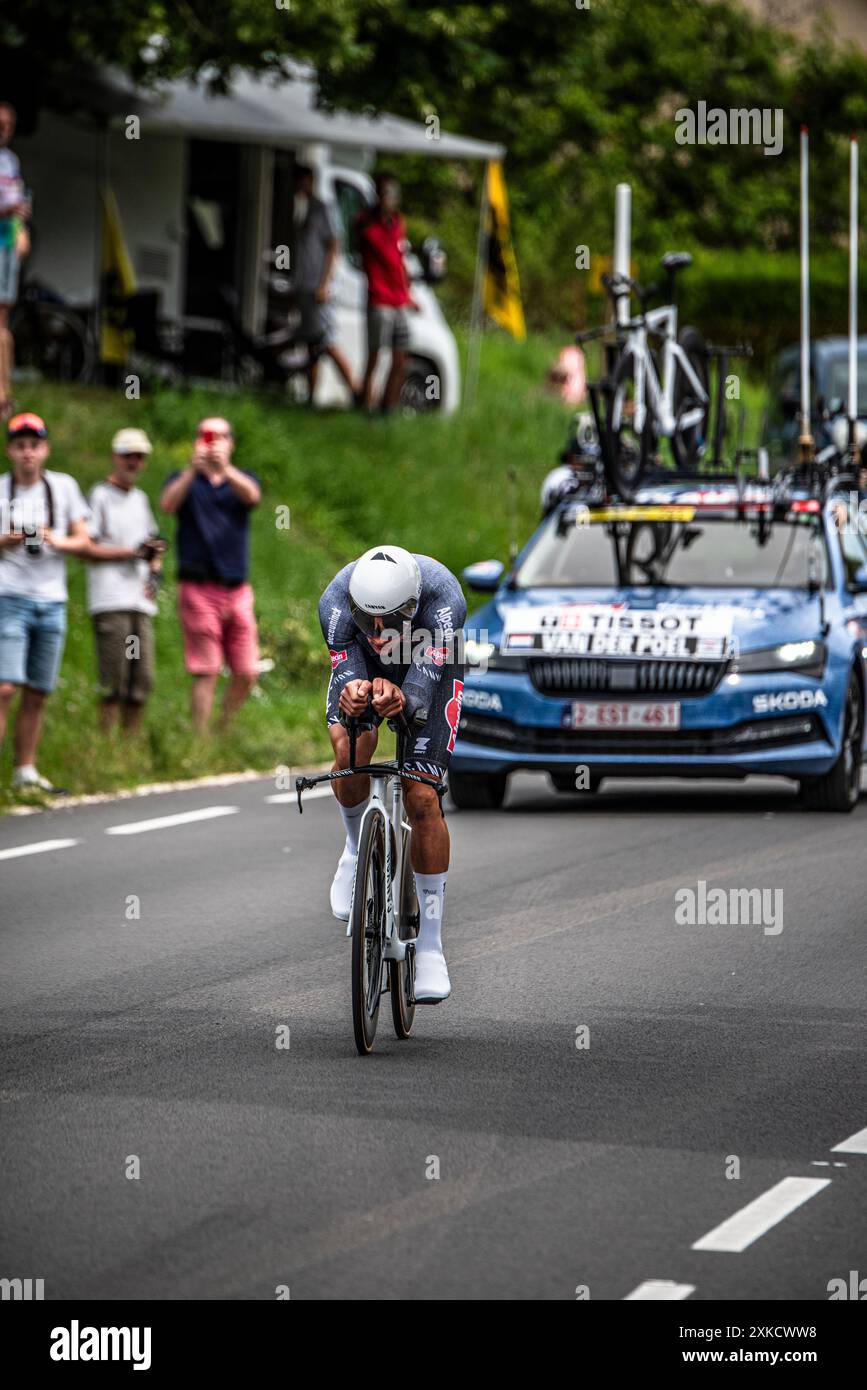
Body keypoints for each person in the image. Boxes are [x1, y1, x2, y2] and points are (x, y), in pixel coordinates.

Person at [318, 545, 466, 1002]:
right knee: (350, 746)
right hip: (363, 664)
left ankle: (431, 947)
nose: (379, 631)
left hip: (430, 666)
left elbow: (423, 686)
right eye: (368, 620)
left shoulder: (444, 601)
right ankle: (354, 845)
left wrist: (404, 698)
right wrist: (355, 693)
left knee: (421, 795)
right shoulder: (335, 603)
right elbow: (347, 669)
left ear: (413, 606)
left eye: (389, 621)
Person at [0, 412, 90, 791]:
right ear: (10, 451)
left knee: (38, 690)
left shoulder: (64, 488)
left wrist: (54, 539)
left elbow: (84, 540)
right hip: (9, 596)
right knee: (5, 687)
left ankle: (25, 771)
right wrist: (8, 539)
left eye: (34, 446)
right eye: (20, 446)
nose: (27, 454)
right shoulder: (1, 489)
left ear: (45, 449)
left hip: (52, 600)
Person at [160, 417, 261, 734]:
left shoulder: (240, 481)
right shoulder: (185, 481)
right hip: (197, 588)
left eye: (219, 437)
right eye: (205, 436)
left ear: (231, 443)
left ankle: (222, 728)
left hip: (237, 589)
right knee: (207, 671)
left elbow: (253, 497)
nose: (212, 443)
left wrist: (225, 469)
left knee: (247, 671)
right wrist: (194, 470)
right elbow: (167, 504)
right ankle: (200, 743)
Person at [86, 428, 165, 733]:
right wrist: (131, 552)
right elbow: (88, 547)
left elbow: (151, 542)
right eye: (128, 455)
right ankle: (105, 746)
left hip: (139, 599)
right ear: (115, 457)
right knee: (113, 679)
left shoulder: (140, 499)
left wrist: (154, 562)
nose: (134, 462)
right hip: (110, 598)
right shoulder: (100, 495)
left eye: (140, 457)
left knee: (141, 680)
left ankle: (128, 750)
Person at [289, 164, 358, 403]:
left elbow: (333, 246)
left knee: (327, 342)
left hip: (320, 288)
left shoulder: (322, 209)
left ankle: (356, 390)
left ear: (310, 181)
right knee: (311, 345)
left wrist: (324, 284)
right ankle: (311, 397)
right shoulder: (303, 209)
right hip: (306, 285)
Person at [355, 173, 419, 414]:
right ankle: (365, 406)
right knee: (374, 357)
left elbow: (399, 260)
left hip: (399, 300)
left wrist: (409, 292)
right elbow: (366, 243)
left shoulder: (398, 223)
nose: (391, 198)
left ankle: (388, 407)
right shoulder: (367, 224)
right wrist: (379, 216)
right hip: (379, 299)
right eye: (386, 193)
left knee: (401, 358)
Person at [0, 102, 30, 420]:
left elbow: (19, 201)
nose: (3, 129)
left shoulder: (10, 161)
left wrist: (22, 232)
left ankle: (3, 391)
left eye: (8, 124)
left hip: (6, 243)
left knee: (2, 324)